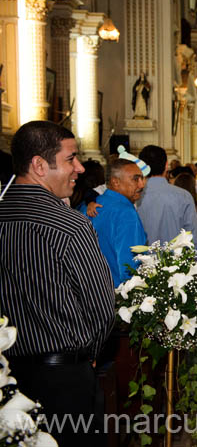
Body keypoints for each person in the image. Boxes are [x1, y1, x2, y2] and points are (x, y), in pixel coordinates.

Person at [0, 121, 114, 446]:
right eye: (71, 159)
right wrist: (88, 354)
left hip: (8, 378)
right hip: (64, 378)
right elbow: (101, 306)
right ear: (39, 165)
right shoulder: (69, 224)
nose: (79, 168)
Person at [87, 159, 147, 287]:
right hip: (119, 293)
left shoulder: (91, 206)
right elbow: (129, 267)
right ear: (115, 182)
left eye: (142, 178)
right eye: (135, 179)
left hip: (95, 289)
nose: (142, 185)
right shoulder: (126, 213)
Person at [137, 144, 197, 252]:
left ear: (140, 167)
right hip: (177, 265)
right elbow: (196, 241)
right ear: (166, 165)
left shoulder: (133, 197)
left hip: (142, 266)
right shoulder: (183, 196)